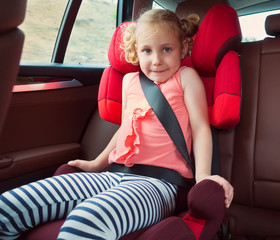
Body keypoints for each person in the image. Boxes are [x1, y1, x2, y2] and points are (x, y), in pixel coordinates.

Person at [0, 9, 234, 240]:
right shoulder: (130, 81)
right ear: (136, 51)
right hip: (112, 175)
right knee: (8, 207)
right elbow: (125, 128)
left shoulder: (186, 77)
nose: (156, 60)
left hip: (158, 185)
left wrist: (203, 175)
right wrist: (96, 164)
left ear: (183, 48)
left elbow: (201, 128)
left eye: (167, 49)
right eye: (147, 50)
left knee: (84, 222)